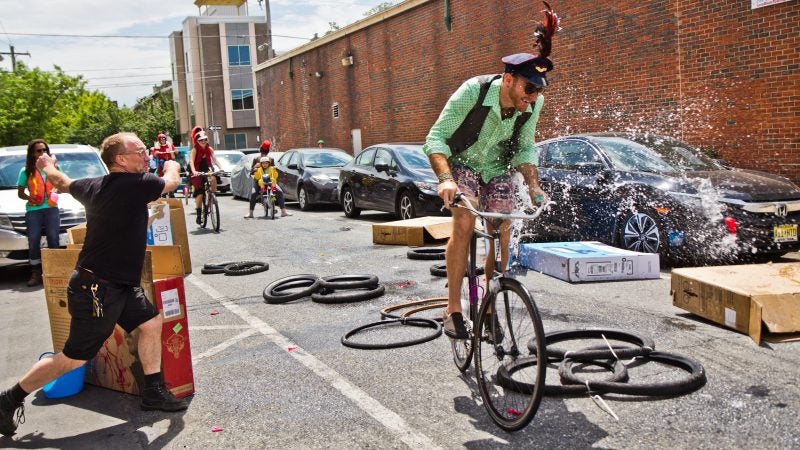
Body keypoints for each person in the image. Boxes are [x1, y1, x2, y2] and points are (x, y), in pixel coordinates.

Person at [0, 132, 186, 438]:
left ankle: (154, 391)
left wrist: (46, 164)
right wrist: (172, 163)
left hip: (118, 285)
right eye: (139, 152)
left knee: (151, 323)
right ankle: (8, 400)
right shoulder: (136, 185)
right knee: (74, 357)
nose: (145, 156)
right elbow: (171, 183)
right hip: (97, 289)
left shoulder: (93, 185)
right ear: (120, 160)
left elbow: (61, 182)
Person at [423, 3, 559, 339]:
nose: (534, 97)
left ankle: (488, 304)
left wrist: (533, 184)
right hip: (463, 165)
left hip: (497, 169)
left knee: (501, 230)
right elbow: (435, 138)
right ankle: (453, 308)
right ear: (509, 80)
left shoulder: (532, 104)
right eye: (529, 89)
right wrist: (445, 180)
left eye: (539, 90)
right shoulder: (474, 91)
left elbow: (525, 147)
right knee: (466, 221)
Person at [16, 139, 61, 287]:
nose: (42, 153)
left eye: (45, 150)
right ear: (32, 153)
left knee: (53, 238)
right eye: (39, 151)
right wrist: (30, 198)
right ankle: (36, 272)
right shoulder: (26, 171)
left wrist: (55, 193)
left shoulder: (54, 168)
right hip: (33, 210)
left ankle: (55, 271)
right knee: (34, 239)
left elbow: (60, 186)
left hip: (51, 208)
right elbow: (20, 193)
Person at [188, 130, 222, 225]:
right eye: (201, 140)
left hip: (207, 168)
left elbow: (215, 159)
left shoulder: (210, 149)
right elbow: (191, 161)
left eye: (205, 139)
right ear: (197, 141)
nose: (203, 141)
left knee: (214, 178)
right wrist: (194, 171)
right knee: (200, 194)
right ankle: (199, 214)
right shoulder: (194, 149)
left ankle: (212, 197)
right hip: (197, 170)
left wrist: (221, 168)